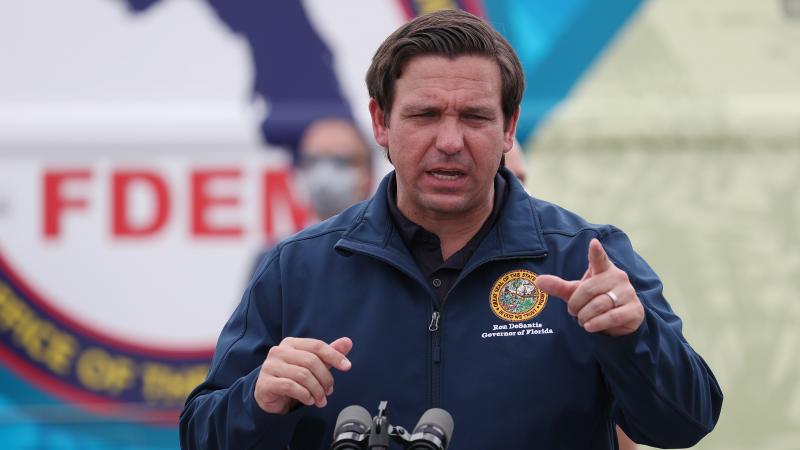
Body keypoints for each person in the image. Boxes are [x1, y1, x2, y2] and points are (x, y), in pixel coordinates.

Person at [180, 10, 722, 449]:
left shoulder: (586, 259)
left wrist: (634, 338)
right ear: (380, 123)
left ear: (509, 128)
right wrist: (258, 401)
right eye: (424, 115)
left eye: (474, 117)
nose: (449, 141)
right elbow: (201, 435)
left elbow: (685, 424)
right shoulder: (298, 269)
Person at [296, 118, 374, 221]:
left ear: (367, 172)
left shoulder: (391, 235)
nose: (324, 176)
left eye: (340, 161)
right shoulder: (288, 236)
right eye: (313, 160)